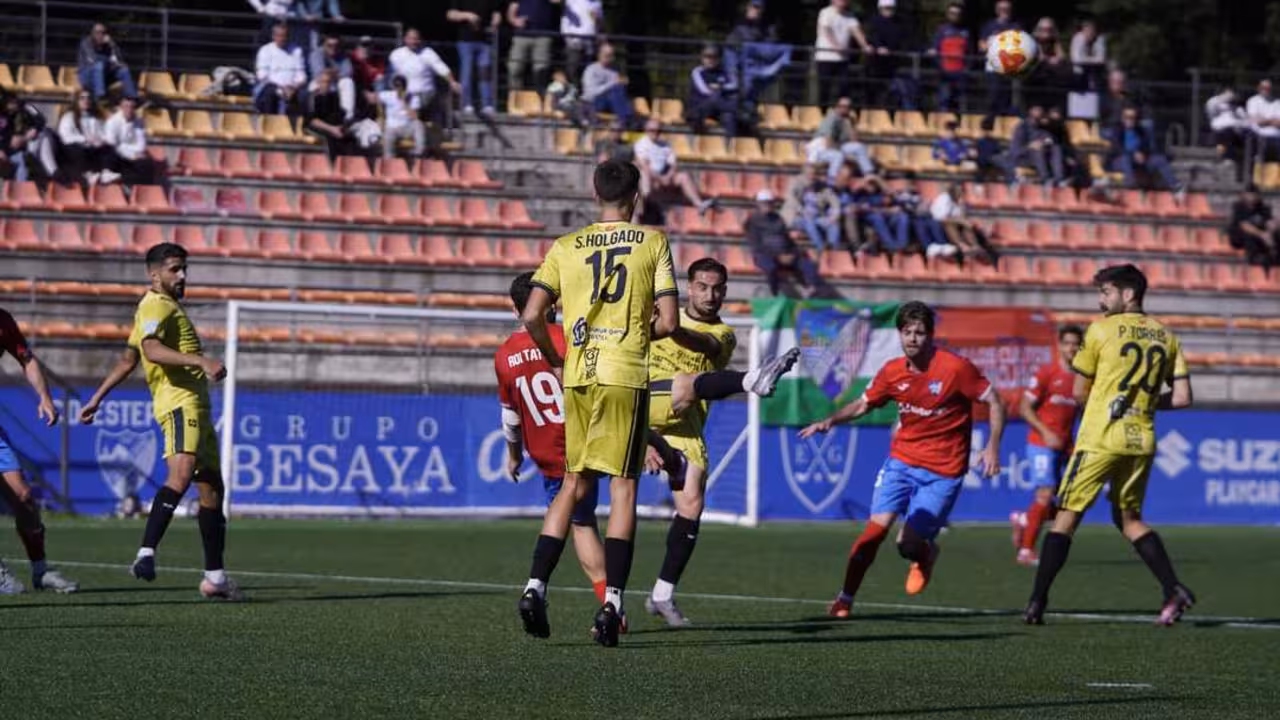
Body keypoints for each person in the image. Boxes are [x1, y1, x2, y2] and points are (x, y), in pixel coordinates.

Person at [515, 160, 680, 647]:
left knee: (572, 484)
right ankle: (612, 603)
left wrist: (555, 357)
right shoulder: (652, 242)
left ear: (595, 195)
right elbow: (669, 323)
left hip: (579, 375)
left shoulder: (565, 246)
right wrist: (634, 332)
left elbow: (532, 314)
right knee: (623, 488)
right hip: (624, 374)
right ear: (637, 196)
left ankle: (534, 586)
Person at [800, 301, 1004, 617]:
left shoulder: (955, 368)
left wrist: (992, 446)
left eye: (920, 332)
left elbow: (994, 400)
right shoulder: (892, 372)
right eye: (906, 332)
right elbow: (863, 404)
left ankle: (925, 554)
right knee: (874, 533)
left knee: (907, 545)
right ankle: (845, 599)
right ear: (899, 334)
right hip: (902, 462)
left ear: (931, 335)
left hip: (944, 471)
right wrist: (831, 420)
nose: (912, 338)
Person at [1024, 264, 1196, 626]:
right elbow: (1181, 398)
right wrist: (1144, 403)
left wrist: (1108, 400)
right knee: (1129, 518)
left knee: (1066, 517)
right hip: (1141, 439)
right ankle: (1172, 588)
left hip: (1101, 438)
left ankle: (1036, 601)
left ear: (1128, 294)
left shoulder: (1100, 330)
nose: (1100, 300)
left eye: (1106, 292)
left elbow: (1078, 392)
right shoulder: (1166, 336)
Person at [79, 243, 242, 601]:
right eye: (174, 269)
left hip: (197, 406)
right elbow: (151, 350)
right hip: (179, 404)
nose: (182, 275)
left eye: (184, 268)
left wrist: (95, 398)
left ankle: (215, 578)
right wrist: (200, 361)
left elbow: (128, 359)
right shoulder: (155, 304)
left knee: (211, 486)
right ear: (155, 275)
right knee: (181, 475)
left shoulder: (164, 307)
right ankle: (145, 553)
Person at [498, 273, 611, 611]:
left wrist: (514, 456)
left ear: (514, 308)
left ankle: (541, 586)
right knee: (585, 522)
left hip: (547, 455)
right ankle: (609, 603)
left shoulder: (504, 356)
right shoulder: (568, 339)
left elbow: (511, 418)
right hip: (586, 445)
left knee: (580, 523)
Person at [0, 308, 79, 595]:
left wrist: (45, 397)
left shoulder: (3, 321)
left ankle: (40, 569)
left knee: (24, 497)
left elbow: (27, 359)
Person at [1011, 324, 1083, 566]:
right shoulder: (1046, 373)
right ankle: (1026, 551)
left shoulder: (1082, 378)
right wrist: (1045, 432)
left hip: (1065, 446)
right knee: (1045, 493)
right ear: (1059, 345)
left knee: (1065, 503)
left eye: (1076, 343)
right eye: (1067, 343)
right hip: (1041, 443)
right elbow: (1024, 407)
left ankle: (1025, 519)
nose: (1071, 348)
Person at [633, 118, 715, 215]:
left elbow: (673, 164)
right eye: (652, 130)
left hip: (664, 175)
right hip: (651, 177)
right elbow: (645, 165)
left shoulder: (666, 145)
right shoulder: (641, 144)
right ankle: (645, 203)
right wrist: (661, 178)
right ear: (646, 130)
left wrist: (668, 176)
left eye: (658, 131)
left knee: (683, 176)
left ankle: (698, 204)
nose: (655, 133)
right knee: (644, 173)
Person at [746, 189, 822, 295]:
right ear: (758, 204)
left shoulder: (778, 219)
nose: (767, 205)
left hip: (784, 254)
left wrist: (792, 253)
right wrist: (777, 256)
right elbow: (757, 245)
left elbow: (787, 239)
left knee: (806, 263)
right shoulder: (753, 221)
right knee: (770, 267)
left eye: (769, 202)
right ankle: (774, 294)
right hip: (765, 255)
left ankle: (810, 289)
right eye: (764, 203)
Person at [388, 28, 462, 128]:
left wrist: (452, 82)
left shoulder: (428, 53)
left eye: (416, 39)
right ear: (405, 39)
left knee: (417, 104)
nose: (414, 42)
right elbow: (392, 77)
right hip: (405, 94)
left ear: (420, 40)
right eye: (411, 39)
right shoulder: (396, 55)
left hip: (426, 94)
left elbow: (442, 68)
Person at [1108, 106, 1183, 194]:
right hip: (1120, 160)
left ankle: (1175, 186)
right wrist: (1132, 154)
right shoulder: (1117, 130)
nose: (1130, 120)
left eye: (1133, 118)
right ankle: (1130, 189)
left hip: (1139, 161)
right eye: (1127, 117)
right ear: (1122, 118)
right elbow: (1117, 148)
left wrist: (1143, 154)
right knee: (1126, 160)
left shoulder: (1141, 131)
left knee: (1159, 159)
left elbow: (1147, 147)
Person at [448, 1, 502, 115]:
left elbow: (496, 13)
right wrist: (467, 16)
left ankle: (487, 105)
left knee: (485, 74)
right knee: (467, 73)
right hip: (465, 41)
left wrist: (495, 22)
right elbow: (450, 14)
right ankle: (466, 103)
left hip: (484, 42)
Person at [814, 0, 870, 109]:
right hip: (825, 57)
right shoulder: (825, 12)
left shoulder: (850, 16)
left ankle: (842, 113)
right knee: (825, 87)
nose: (843, 2)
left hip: (843, 59)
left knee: (844, 87)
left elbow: (856, 31)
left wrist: (865, 46)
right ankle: (821, 111)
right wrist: (836, 47)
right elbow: (826, 31)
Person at [865, 0, 916, 110]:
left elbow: (906, 40)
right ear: (880, 9)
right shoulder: (874, 21)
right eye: (886, 8)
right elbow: (872, 36)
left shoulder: (900, 23)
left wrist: (903, 51)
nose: (889, 11)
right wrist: (879, 47)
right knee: (874, 91)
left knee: (895, 92)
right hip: (876, 64)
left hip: (893, 64)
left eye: (891, 8)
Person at [930, 183, 997, 265]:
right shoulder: (942, 199)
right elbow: (939, 217)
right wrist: (959, 220)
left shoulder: (962, 200)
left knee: (966, 226)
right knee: (950, 225)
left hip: (960, 223)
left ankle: (975, 247)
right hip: (943, 224)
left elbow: (965, 215)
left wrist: (965, 221)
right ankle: (962, 246)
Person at [57, 89, 114, 185]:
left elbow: (102, 133)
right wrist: (85, 139)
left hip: (91, 149)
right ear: (77, 101)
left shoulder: (95, 118)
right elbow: (65, 137)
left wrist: (101, 140)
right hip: (74, 151)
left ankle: (106, 172)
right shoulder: (69, 116)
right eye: (82, 98)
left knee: (109, 148)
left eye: (88, 98)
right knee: (76, 149)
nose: (86, 100)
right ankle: (87, 175)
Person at [0, 90, 58, 182]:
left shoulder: (25, 106)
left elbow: (41, 119)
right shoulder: (3, 114)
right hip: (8, 151)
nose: (13, 105)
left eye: (14, 101)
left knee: (43, 135)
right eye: (10, 102)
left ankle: (51, 174)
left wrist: (26, 136)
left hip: (26, 145)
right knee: (23, 159)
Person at [785, 162, 841, 255]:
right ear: (804, 174)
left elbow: (835, 203)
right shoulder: (797, 183)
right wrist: (802, 211)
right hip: (799, 217)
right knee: (809, 221)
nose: (811, 176)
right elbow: (790, 197)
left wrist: (834, 216)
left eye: (813, 174)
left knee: (833, 225)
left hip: (817, 217)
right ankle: (821, 248)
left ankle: (833, 250)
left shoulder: (822, 187)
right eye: (808, 174)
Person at [103, 96, 161, 186]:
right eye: (126, 106)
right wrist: (132, 154)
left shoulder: (139, 122)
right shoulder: (112, 122)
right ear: (120, 107)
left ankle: (142, 192)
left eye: (132, 107)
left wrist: (133, 153)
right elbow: (112, 144)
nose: (129, 109)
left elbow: (141, 144)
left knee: (147, 164)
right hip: (119, 156)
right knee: (109, 155)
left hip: (133, 156)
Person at [254, 22, 308, 116]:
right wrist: (281, 88)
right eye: (279, 35)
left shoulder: (297, 50)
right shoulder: (265, 50)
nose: (282, 39)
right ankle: (269, 124)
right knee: (269, 94)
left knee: (304, 96)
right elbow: (262, 75)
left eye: (284, 36)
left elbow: (301, 74)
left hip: (292, 87)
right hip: (271, 86)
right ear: (273, 36)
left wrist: (294, 87)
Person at [979, 0, 1021, 117]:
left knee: (1007, 97)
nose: (1005, 12)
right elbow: (981, 45)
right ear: (997, 11)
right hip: (992, 67)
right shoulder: (989, 26)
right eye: (1002, 9)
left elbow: (1020, 46)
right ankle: (990, 122)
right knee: (993, 95)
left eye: (1007, 9)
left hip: (1010, 68)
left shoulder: (1015, 26)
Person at [687, 45, 738, 140]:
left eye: (714, 57)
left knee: (729, 117)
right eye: (707, 57)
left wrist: (720, 87)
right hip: (701, 107)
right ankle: (732, 108)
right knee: (716, 98)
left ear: (719, 59)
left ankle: (730, 146)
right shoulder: (697, 71)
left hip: (719, 109)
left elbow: (734, 84)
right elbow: (704, 90)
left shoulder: (724, 72)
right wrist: (720, 89)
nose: (711, 60)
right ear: (702, 58)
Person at [77, 23, 137, 102]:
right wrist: (110, 62)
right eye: (97, 32)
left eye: (103, 32)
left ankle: (131, 97)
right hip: (87, 77)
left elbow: (119, 60)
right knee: (99, 65)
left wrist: (112, 44)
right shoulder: (86, 43)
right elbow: (94, 60)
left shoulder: (108, 45)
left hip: (105, 76)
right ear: (93, 33)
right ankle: (100, 97)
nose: (100, 35)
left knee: (124, 70)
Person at [307, 68, 358, 159]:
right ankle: (333, 166)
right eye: (323, 82)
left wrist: (342, 128)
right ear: (318, 83)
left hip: (333, 126)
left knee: (350, 137)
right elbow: (312, 121)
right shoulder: (312, 98)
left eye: (328, 82)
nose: (326, 85)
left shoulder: (333, 97)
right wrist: (332, 129)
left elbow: (340, 115)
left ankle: (347, 166)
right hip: (316, 127)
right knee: (331, 138)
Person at [507, 0, 557, 91]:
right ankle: (515, 96)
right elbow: (511, 11)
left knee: (541, 71)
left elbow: (557, 1)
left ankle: (540, 99)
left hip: (543, 36)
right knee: (515, 68)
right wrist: (514, 20)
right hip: (521, 35)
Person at [1227, 183, 1279, 268]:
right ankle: (1254, 259)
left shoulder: (1262, 207)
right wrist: (1262, 234)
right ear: (1245, 194)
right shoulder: (1239, 206)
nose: (1253, 197)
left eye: (1255, 194)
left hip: (1259, 236)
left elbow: (1269, 221)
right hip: (1239, 237)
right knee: (1249, 234)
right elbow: (1244, 225)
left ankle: (1275, 257)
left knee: (1276, 234)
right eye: (1250, 194)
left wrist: (1271, 229)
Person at [930, 2, 969, 112]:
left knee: (959, 102)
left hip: (960, 72)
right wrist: (939, 66)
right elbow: (934, 49)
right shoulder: (941, 30)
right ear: (948, 14)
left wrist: (967, 68)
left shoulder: (965, 31)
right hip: (945, 72)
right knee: (944, 100)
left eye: (957, 14)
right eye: (952, 13)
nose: (954, 16)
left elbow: (969, 51)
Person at [581, 43, 631, 127]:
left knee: (618, 89)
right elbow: (591, 93)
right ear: (599, 54)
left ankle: (625, 119)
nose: (610, 58)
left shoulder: (614, 71)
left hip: (610, 103)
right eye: (607, 55)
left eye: (612, 55)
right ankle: (626, 120)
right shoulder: (591, 70)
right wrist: (613, 84)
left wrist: (623, 83)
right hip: (593, 102)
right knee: (614, 90)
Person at [309, 34, 356, 122]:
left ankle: (348, 117)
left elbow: (348, 72)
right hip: (321, 81)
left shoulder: (343, 55)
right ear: (324, 45)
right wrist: (335, 72)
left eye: (336, 45)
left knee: (348, 82)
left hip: (336, 82)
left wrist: (329, 72)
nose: (333, 48)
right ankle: (313, 118)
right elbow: (319, 73)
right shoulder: (317, 54)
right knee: (313, 86)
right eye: (329, 45)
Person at [378, 75, 426, 158]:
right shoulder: (388, 95)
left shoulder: (413, 97)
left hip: (406, 127)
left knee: (418, 124)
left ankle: (419, 152)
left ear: (405, 86)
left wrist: (405, 102)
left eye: (401, 86)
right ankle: (389, 161)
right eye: (396, 86)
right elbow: (376, 98)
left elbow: (415, 117)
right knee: (388, 136)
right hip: (392, 128)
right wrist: (381, 115)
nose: (399, 89)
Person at [562, 0, 603, 84]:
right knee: (572, 70)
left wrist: (597, 19)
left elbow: (599, 22)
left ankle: (584, 93)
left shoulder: (597, 2)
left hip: (590, 42)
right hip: (574, 40)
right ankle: (573, 91)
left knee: (588, 71)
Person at [1205, 86, 1246, 164]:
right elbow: (1210, 110)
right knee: (1226, 134)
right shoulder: (1214, 101)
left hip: (1236, 131)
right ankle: (1226, 157)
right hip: (1220, 130)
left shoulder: (1237, 108)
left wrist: (1239, 124)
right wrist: (1222, 99)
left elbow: (1245, 120)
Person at [1246, 79, 1280, 161]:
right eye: (1263, 87)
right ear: (1259, 88)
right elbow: (1255, 120)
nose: (1266, 89)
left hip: (1276, 133)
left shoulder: (1278, 102)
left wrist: (1264, 120)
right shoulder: (1253, 101)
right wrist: (1272, 120)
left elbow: (1279, 123)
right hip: (1257, 133)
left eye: (1268, 88)